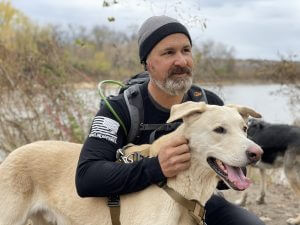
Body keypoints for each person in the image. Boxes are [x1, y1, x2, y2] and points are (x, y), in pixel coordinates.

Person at [75, 15, 265, 225]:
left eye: (186, 50)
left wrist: (222, 164)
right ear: (148, 63)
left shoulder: (210, 103)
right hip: (136, 202)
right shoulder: (120, 109)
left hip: (197, 201)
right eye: (168, 52)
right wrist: (156, 166)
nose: (181, 61)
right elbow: (87, 178)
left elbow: (227, 171)